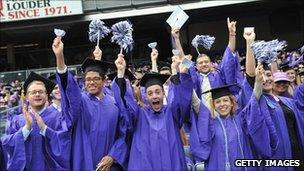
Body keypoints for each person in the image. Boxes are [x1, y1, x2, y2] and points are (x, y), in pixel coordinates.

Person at [52, 37, 128, 171]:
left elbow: (123, 134)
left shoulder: (115, 104)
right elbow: (69, 89)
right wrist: (60, 56)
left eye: (96, 79)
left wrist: (113, 155)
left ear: (104, 81)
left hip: (110, 166)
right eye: (87, 80)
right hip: (83, 162)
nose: (91, 82)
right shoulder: (81, 102)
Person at [112, 54, 193, 170]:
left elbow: (180, 101)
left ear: (163, 93)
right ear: (145, 96)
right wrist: (120, 73)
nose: (154, 96)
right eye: (150, 93)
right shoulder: (139, 115)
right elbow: (125, 104)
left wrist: (175, 71)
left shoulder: (172, 113)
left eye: (157, 92)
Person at [190, 64, 278, 171]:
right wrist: (184, 73)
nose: (222, 104)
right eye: (217, 102)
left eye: (226, 100)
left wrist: (258, 82)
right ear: (214, 106)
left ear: (232, 103)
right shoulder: (210, 123)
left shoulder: (242, 119)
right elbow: (196, 103)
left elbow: (254, 99)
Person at [1, 72, 70, 170]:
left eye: (41, 92)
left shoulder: (58, 118)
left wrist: (45, 129)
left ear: (46, 95)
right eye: (33, 92)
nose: (37, 94)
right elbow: (6, 144)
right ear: (27, 97)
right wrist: (26, 129)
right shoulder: (17, 120)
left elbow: (65, 143)